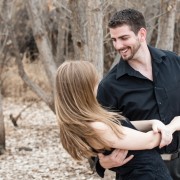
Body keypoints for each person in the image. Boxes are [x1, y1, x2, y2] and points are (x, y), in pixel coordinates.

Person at [55, 60, 180, 179]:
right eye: (94, 81)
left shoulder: (91, 123)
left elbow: (123, 127)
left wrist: (152, 122)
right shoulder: (97, 128)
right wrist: (173, 126)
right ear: (84, 89)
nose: (98, 84)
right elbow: (149, 142)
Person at [96, 8, 180, 180]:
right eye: (114, 40)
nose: (118, 46)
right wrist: (103, 162)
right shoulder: (109, 85)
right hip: (140, 173)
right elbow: (99, 136)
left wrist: (172, 127)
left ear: (142, 34)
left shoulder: (174, 62)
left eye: (124, 38)